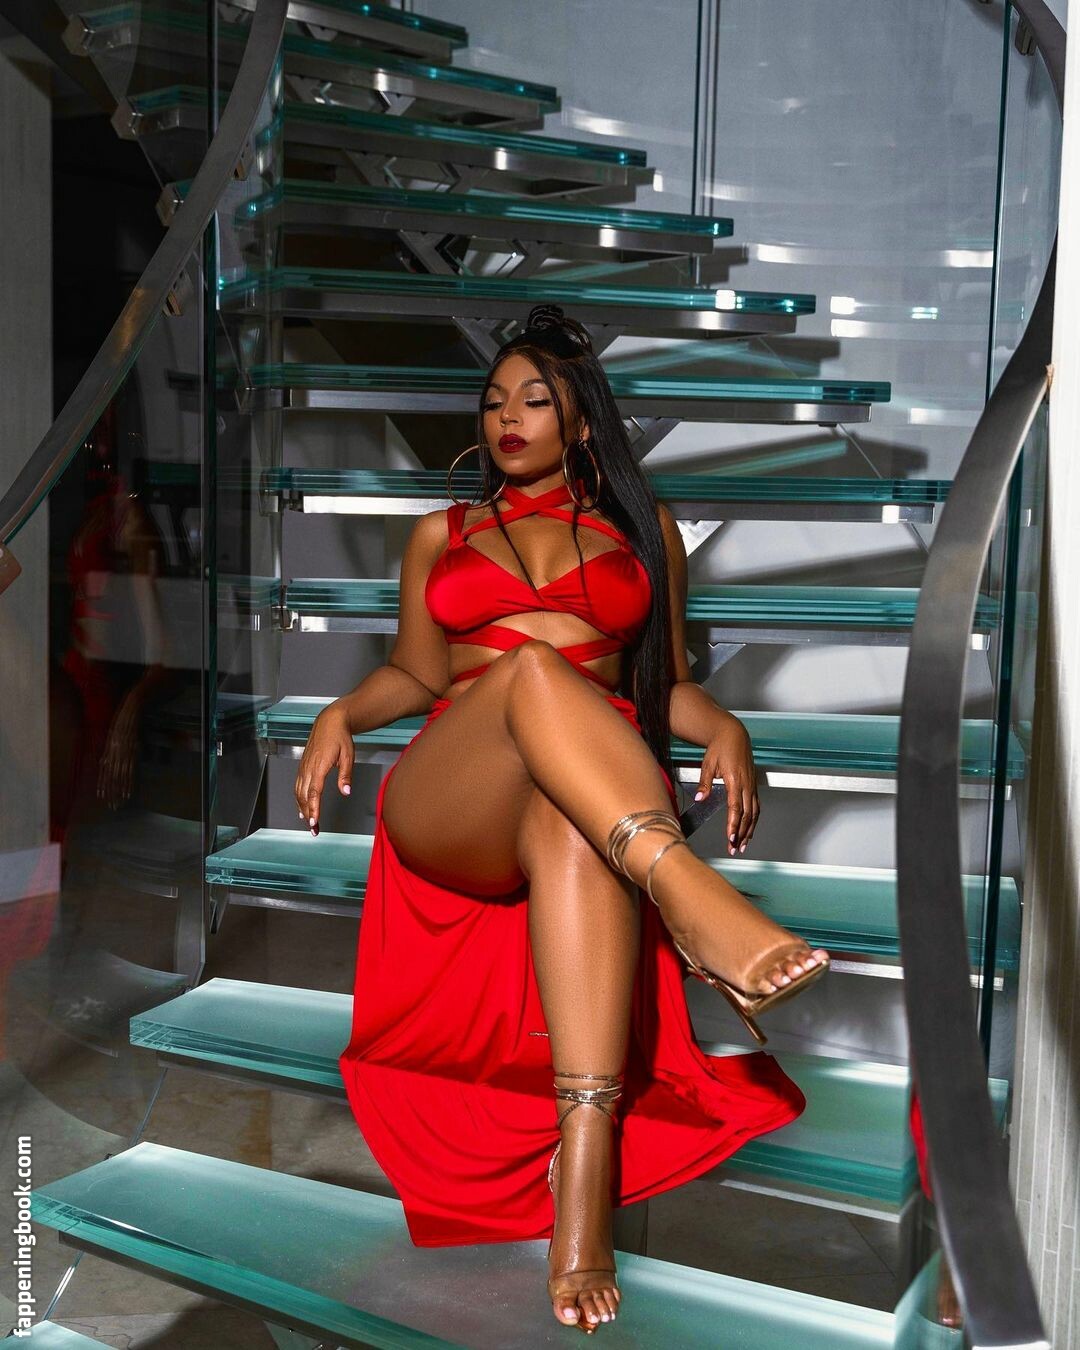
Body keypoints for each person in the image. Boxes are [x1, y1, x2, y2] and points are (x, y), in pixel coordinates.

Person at [295, 305, 830, 1335]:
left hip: (581, 797)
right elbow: (417, 673)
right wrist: (340, 713)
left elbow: (660, 684)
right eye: (494, 401)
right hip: (454, 796)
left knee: (571, 825)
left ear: (582, 422)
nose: (508, 418)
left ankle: (581, 1175)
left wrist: (724, 725)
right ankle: (688, 894)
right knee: (532, 672)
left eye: (535, 401)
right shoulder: (440, 533)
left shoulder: (643, 531)